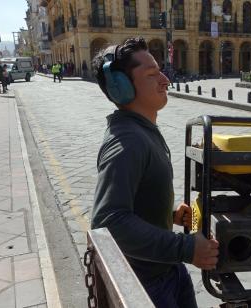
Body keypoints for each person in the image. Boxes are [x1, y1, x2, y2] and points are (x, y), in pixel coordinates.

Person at [91, 37, 219, 307]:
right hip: (148, 285)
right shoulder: (126, 142)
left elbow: (133, 202)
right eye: (152, 74)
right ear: (121, 87)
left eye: (160, 70)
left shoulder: (142, 131)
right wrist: (185, 248)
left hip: (168, 270)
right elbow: (109, 222)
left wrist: (168, 214)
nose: (165, 80)